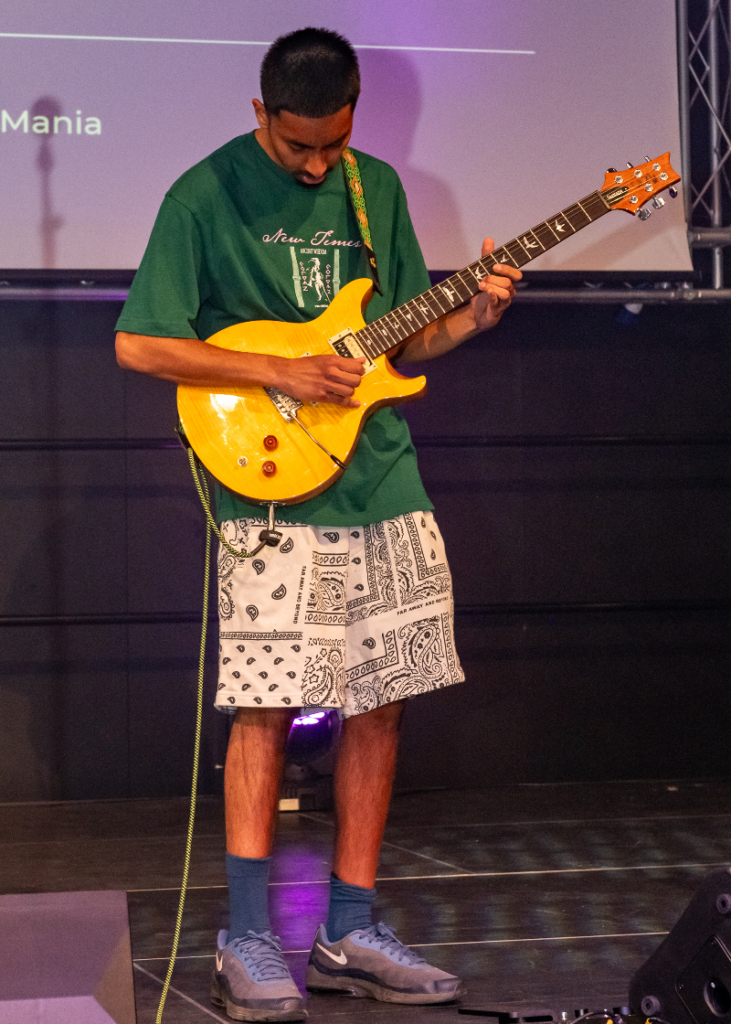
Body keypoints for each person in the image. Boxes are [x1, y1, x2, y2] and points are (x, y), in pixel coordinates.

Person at [115, 26, 521, 1023]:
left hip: (380, 478)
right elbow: (139, 344)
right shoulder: (202, 194)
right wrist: (275, 371)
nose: (315, 162)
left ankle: (351, 928)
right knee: (265, 708)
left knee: (381, 702)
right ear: (260, 115)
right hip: (267, 487)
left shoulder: (371, 189)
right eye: (298, 145)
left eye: (331, 142)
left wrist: (466, 318)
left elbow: (400, 332)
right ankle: (247, 935)